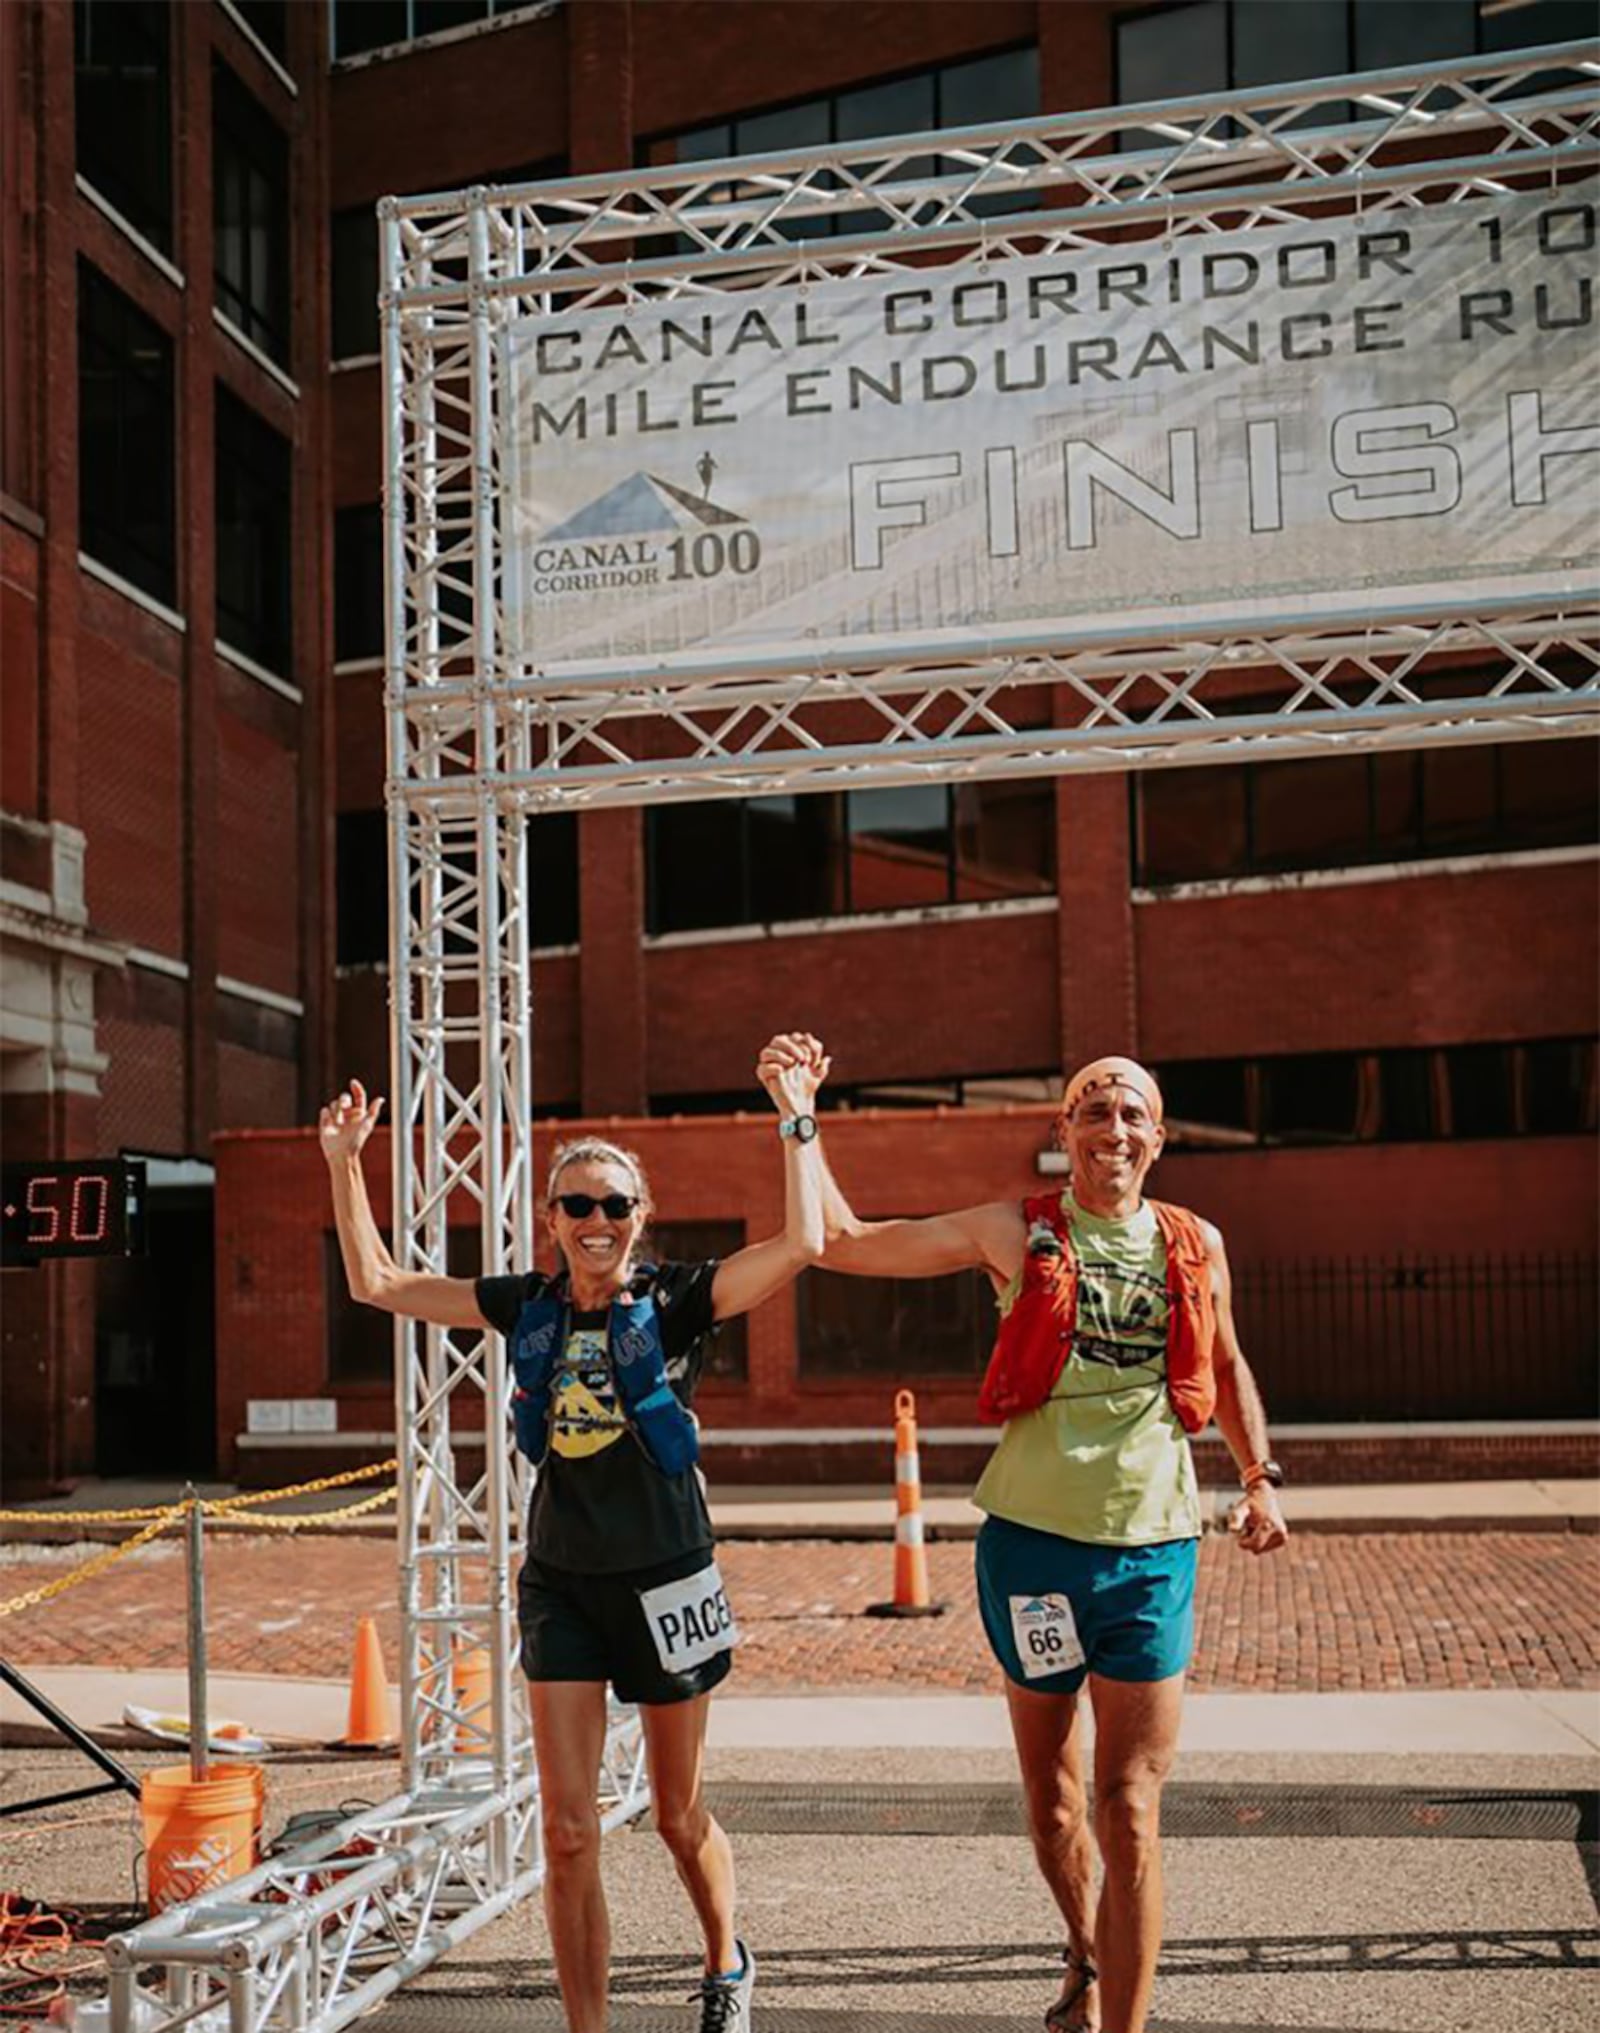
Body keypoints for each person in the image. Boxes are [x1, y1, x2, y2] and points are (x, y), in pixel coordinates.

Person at [762, 1047, 1289, 2033]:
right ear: (1065, 1132)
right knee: (1053, 1800)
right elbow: (838, 1238)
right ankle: (1087, 1954)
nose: (1114, 1126)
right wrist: (799, 1113)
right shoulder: (1015, 1231)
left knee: (1127, 1803)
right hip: (1033, 1554)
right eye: (1094, 1109)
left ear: (1159, 1134)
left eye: (1132, 1111)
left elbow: (1223, 1358)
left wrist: (1258, 1478)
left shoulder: (1194, 1241)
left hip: (1151, 1549)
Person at [320, 1035, 834, 2033]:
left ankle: (724, 1954)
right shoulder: (526, 1304)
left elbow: (804, 1241)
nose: (596, 1220)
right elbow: (376, 1281)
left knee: (678, 1815)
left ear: (640, 1218)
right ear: (550, 1217)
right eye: (577, 1203)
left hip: (669, 1580)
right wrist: (346, 1163)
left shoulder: (678, 1299)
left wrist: (793, 1107)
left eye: (615, 1204)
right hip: (560, 1583)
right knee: (564, 1830)